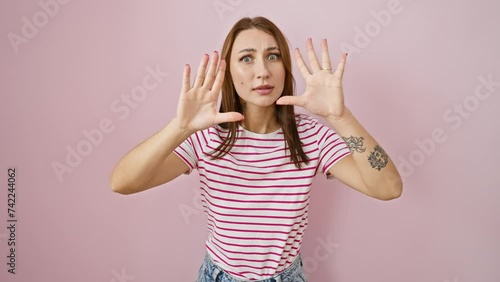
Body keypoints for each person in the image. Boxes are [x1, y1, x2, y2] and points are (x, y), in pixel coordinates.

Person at [110, 16, 403, 282]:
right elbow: (122, 182)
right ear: (229, 71)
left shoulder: (311, 137)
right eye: (246, 58)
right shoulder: (207, 136)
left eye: (272, 56)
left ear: (285, 67)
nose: (262, 71)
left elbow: (388, 187)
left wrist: (341, 117)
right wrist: (180, 127)